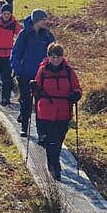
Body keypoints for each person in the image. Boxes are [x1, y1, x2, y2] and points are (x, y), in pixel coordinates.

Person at [33, 43, 82, 180]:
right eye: (53, 57)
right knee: (53, 138)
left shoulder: (69, 71)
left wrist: (76, 94)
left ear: (62, 57)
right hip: (47, 109)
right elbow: (37, 90)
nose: (56, 60)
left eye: (58, 57)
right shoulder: (42, 71)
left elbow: (77, 87)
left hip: (64, 110)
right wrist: (34, 87)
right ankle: (54, 166)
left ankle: (52, 161)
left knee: (59, 138)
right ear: (48, 57)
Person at [10, 8, 55, 139]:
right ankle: (24, 127)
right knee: (26, 102)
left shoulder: (47, 36)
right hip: (25, 75)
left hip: (42, 76)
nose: (45, 22)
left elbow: (54, 53)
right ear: (36, 21)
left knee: (41, 105)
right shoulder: (25, 34)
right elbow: (16, 51)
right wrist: (18, 69)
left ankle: (41, 133)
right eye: (43, 19)